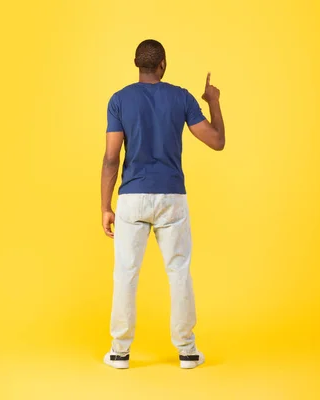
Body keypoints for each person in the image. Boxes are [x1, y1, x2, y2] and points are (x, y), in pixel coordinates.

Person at [100, 39, 225, 369]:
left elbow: (111, 159)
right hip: (171, 196)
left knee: (126, 273)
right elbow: (216, 141)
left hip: (132, 197)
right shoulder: (181, 97)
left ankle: (119, 352)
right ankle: (186, 350)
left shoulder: (119, 100)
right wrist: (213, 101)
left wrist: (105, 206)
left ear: (137, 64)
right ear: (163, 64)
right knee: (179, 271)